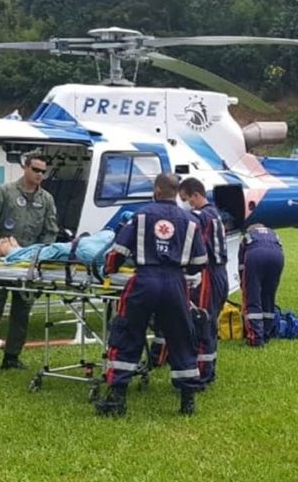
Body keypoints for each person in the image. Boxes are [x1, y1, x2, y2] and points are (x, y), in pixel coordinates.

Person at [94, 174, 208, 417]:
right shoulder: (190, 221)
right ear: (177, 192)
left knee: (127, 333)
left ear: (157, 190)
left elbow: (118, 252)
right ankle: (187, 400)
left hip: (144, 281)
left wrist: (108, 270)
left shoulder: (141, 215)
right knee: (181, 336)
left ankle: (117, 399)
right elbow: (199, 261)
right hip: (175, 284)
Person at [0, 151, 58, 376]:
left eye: (43, 171)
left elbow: (51, 231)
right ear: (25, 168)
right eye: (36, 169)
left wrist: (40, 256)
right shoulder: (6, 192)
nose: (39, 174)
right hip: (4, 262)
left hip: (27, 264)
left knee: (22, 310)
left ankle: (11, 357)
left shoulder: (46, 199)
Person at [150, 177, 229, 386]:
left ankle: (202, 374)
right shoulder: (215, 214)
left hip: (209, 275)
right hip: (219, 273)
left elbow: (184, 226)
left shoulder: (201, 216)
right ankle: (207, 370)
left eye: (186, 199)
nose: (186, 203)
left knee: (202, 322)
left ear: (196, 195)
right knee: (208, 323)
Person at [238, 223, 284, 347]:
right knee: (269, 296)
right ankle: (267, 334)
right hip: (277, 258)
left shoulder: (247, 236)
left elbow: (242, 265)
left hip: (256, 256)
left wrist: (244, 285)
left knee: (252, 298)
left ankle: (256, 338)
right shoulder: (274, 234)